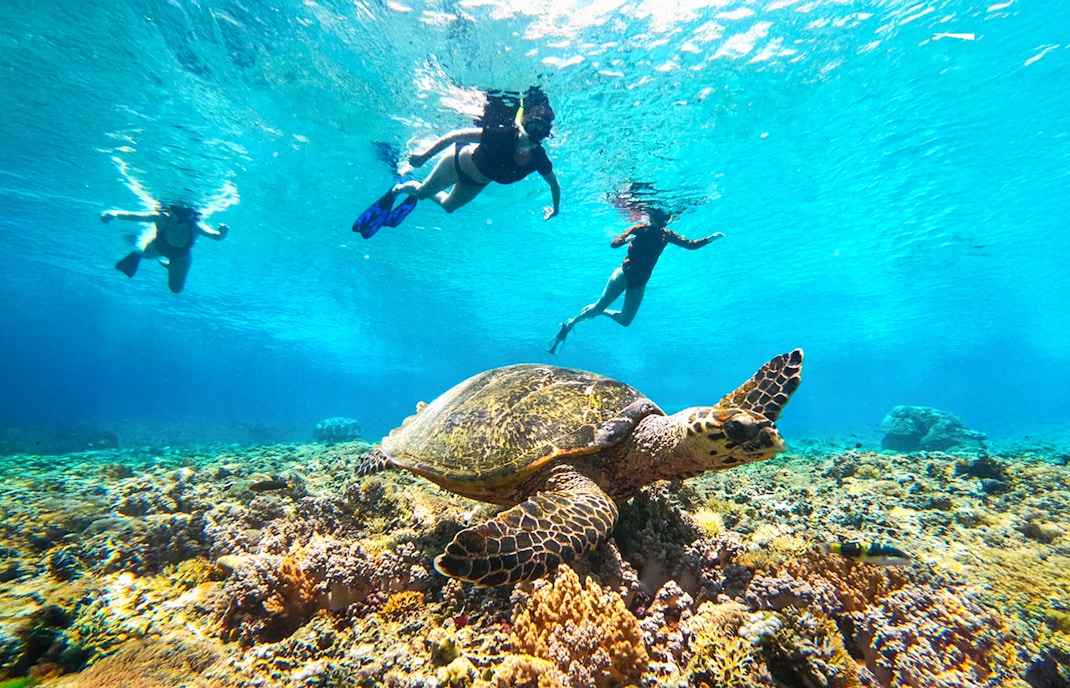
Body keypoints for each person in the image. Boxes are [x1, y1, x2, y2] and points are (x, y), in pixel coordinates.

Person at [352, 97, 561, 238]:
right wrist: (424, 157)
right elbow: (456, 135)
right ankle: (398, 189)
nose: (525, 147)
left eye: (533, 143)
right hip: (457, 162)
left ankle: (412, 187)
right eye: (524, 139)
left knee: (449, 207)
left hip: (476, 182)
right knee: (423, 193)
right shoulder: (503, 135)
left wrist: (556, 210)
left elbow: (554, 185)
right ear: (520, 128)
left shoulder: (538, 159)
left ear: (541, 142)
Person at [548, 208, 723, 354]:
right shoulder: (639, 229)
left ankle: (600, 312)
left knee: (625, 320)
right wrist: (625, 240)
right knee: (598, 305)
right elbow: (614, 244)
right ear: (653, 217)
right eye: (661, 217)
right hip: (624, 273)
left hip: (640, 281)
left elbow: (690, 245)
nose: (663, 221)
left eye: (666, 218)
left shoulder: (667, 235)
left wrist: (710, 239)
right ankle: (569, 324)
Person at [101, 203, 229, 293]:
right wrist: (113, 213)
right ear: (171, 212)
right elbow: (134, 216)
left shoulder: (196, 226)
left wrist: (222, 233)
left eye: (181, 217)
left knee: (176, 289)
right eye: (175, 213)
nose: (176, 220)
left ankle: (169, 263)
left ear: (189, 217)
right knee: (142, 253)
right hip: (159, 247)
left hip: (181, 258)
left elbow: (215, 236)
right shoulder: (161, 218)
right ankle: (140, 245)